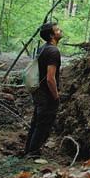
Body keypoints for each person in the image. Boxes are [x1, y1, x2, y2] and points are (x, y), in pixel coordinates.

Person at [24, 22, 63, 157]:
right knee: (43, 124)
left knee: (36, 122)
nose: (60, 31)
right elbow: (50, 78)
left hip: (38, 92)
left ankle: (29, 150)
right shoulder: (53, 51)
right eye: (57, 30)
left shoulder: (43, 49)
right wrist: (56, 96)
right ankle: (33, 153)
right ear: (52, 35)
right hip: (46, 94)